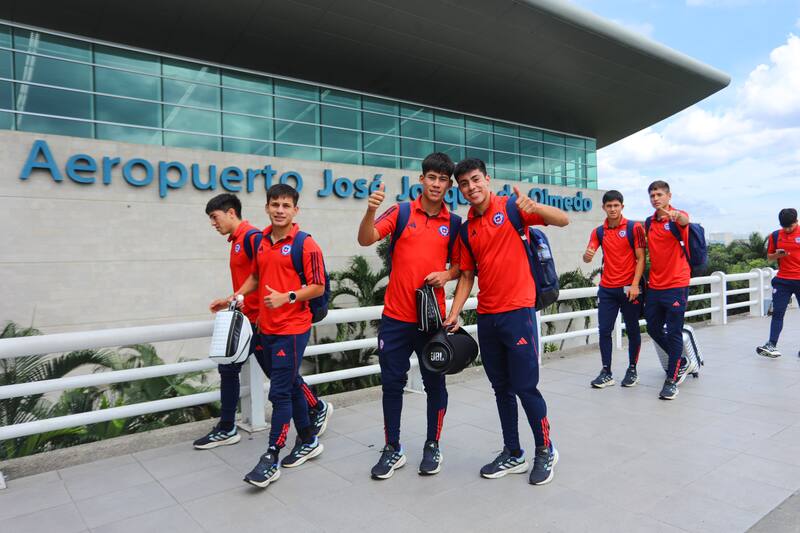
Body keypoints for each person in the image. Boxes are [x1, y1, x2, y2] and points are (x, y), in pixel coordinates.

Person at [443, 158, 568, 486]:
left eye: (475, 180)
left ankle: (546, 449)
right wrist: (455, 311)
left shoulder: (512, 208)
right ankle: (513, 452)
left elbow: (564, 219)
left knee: (526, 387)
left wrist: (536, 206)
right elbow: (467, 275)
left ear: (487, 179)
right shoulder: (467, 229)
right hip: (487, 316)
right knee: (501, 388)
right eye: (465, 185)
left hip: (519, 312)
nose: (471, 188)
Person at [209, 185, 328, 488]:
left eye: (286, 205)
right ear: (266, 207)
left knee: (279, 394)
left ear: (295, 210)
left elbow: (317, 286)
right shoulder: (261, 240)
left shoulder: (306, 244)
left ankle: (271, 456)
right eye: (274, 204)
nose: (279, 210)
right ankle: (309, 439)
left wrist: (288, 296)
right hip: (266, 327)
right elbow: (256, 277)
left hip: (293, 328)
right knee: (288, 384)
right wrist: (234, 297)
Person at [357, 152, 461, 479]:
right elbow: (366, 238)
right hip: (396, 319)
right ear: (422, 179)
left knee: (435, 384)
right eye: (432, 177)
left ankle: (433, 444)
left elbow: (462, 267)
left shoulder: (455, 223)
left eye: (443, 180)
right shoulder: (401, 212)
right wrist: (371, 209)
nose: (436, 184)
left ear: (448, 185)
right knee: (391, 384)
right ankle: (393, 447)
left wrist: (446, 276)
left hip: (432, 322)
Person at [583, 190, 646, 388]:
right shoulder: (599, 231)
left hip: (629, 288)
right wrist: (587, 256)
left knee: (633, 329)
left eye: (616, 205)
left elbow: (641, 258)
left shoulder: (633, 227)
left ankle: (632, 369)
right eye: (609, 206)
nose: (612, 209)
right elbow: (589, 253)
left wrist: (635, 284)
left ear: (622, 207)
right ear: (604, 208)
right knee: (604, 331)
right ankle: (606, 371)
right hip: (607, 289)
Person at [643, 180, 692, 400]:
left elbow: (685, 220)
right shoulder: (649, 222)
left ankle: (672, 380)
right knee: (653, 329)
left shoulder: (677, 217)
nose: (655, 198)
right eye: (652, 195)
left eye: (659, 194)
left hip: (676, 284)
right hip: (655, 286)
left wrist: (677, 216)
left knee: (673, 331)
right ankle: (680, 360)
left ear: (669, 196)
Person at [757, 208, 800, 358]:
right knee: (777, 313)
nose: (787, 229)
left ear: (797, 221)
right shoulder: (775, 236)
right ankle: (771, 345)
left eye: (791, 226)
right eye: (785, 227)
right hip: (782, 281)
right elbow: (770, 257)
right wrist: (777, 254)